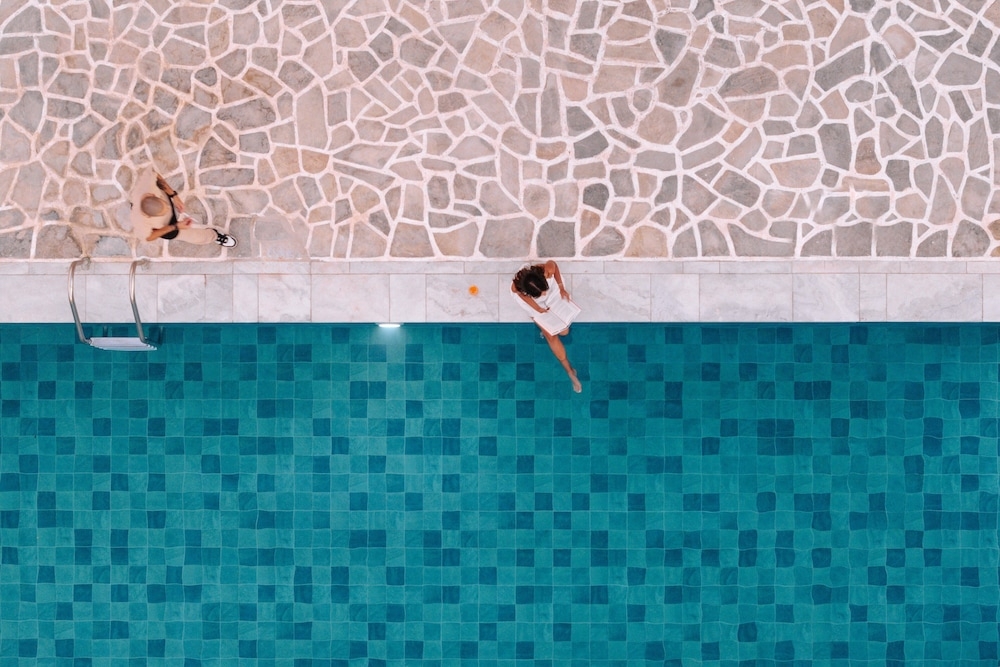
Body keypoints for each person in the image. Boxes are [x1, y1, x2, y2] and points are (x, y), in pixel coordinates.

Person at [511, 260, 583, 393]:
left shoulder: (546, 270)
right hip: (534, 304)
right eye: (541, 293)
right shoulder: (517, 287)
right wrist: (536, 308)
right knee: (551, 336)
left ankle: (547, 324)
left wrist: (561, 287)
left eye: (543, 290)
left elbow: (553, 264)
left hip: (553, 295)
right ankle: (569, 371)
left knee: (564, 332)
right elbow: (519, 293)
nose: (543, 294)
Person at [128, 167, 237, 247]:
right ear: (149, 217)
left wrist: (174, 196)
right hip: (167, 226)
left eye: (166, 205)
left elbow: (155, 174)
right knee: (196, 237)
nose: (169, 208)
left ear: (152, 195)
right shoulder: (141, 223)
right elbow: (149, 237)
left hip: (159, 210)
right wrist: (175, 226)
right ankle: (214, 235)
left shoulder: (147, 185)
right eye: (165, 211)